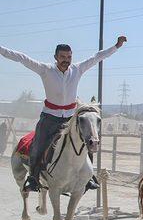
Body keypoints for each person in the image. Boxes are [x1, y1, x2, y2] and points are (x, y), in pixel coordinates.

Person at [0, 36, 127, 191]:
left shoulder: (77, 69)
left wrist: (116, 46)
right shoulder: (45, 70)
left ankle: (88, 177)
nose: (66, 60)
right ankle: (33, 178)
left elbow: (97, 57)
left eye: (68, 57)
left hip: (70, 120)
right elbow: (21, 57)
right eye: (62, 57)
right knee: (38, 146)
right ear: (55, 57)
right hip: (49, 119)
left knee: (87, 142)